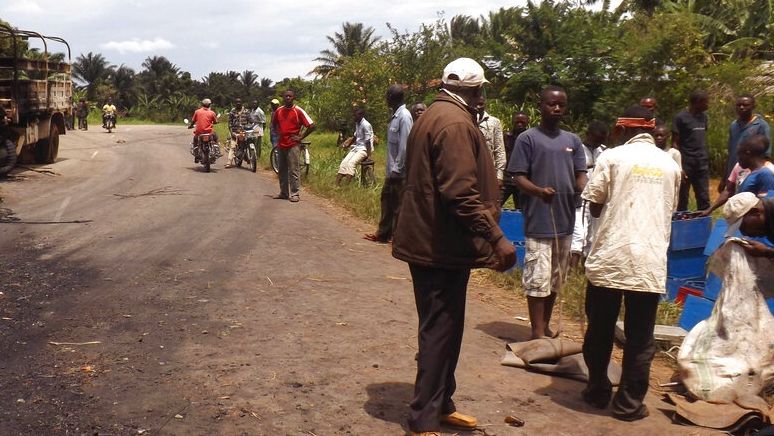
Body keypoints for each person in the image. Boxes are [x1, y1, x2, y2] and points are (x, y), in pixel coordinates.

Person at [392, 57, 516, 436]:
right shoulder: (455, 123)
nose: (482, 99)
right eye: (480, 92)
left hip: (437, 242)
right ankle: (424, 418)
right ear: (474, 90)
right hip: (438, 245)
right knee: (439, 330)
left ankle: (442, 403)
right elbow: (460, 193)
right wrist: (496, 238)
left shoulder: (436, 114)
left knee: (446, 328)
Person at [580, 105, 681, 422]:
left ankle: (597, 390)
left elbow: (595, 206)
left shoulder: (612, 157)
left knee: (600, 328)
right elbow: (669, 208)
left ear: (622, 130)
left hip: (612, 256)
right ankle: (628, 404)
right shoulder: (670, 164)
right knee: (640, 337)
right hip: (648, 262)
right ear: (651, 131)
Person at [509, 85, 587, 340]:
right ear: (540, 106)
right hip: (539, 219)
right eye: (551, 104)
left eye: (561, 105)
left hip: (565, 219)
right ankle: (536, 331)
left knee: (556, 278)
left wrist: (583, 188)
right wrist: (538, 191)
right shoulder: (527, 138)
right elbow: (518, 177)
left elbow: (581, 174)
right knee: (537, 277)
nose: (556, 108)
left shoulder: (573, 140)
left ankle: (545, 326)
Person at [363, 85, 413, 243]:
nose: (385, 99)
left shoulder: (404, 117)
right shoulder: (395, 116)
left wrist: (397, 169)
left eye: (387, 96)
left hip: (399, 172)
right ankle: (383, 233)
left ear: (392, 97)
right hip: (391, 170)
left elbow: (405, 146)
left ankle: (399, 239)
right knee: (387, 201)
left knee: (399, 206)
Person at [701, 135, 774, 216]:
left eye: (739, 155)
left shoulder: (765, 174)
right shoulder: (750, 173)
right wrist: (709, 210)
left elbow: (766, 209)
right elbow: (729, 190)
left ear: (748, 153)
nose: (738, 159)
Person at [570, 120, 608, 267]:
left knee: (593, 236)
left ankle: (586, 270)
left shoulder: (604, 151)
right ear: (588, 135)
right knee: (579, 235)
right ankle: (571, 271)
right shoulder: (577, 149)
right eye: (596, 139)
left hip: (597, 199)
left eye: (601, 140)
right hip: (579, 198)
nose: (598, 143)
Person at [720, 94, 771, 192]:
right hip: (734, 173)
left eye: (745, 105)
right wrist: (724, 178)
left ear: (753, 106)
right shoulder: (734, 125)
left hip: (750, 173)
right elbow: (731, 153)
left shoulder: (761, 126)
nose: (741, 107)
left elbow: (765, 155)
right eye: (738, 105)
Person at [271, 90, 315, 202]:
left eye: (290, 96)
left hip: (293, 145)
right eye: (286, 96)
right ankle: (284, 192)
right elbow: (274, 124)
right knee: (282, 170)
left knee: (293, 170)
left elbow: (312, 125)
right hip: (281, 144)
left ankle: (295, 193)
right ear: (283, 97)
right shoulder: (279, 111)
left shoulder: (298, 111)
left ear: (293, 97)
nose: (288, 98)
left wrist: (300, 137)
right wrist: (279, 134)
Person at [672, 90, 710, 211]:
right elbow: (674, 143)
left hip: (701, 162)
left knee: (703, 196)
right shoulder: (680, 118)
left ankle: (703, 219)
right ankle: (682, 219)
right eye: (705, 102)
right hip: (686, 162)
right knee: (682, 196)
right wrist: (678, 165)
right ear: (697, 102)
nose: (707, 105)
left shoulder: (704, 117)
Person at [724, 192, 774, 257]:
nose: (744, 234)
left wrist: (766, 252)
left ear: (755, 212)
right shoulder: (768, 222)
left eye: (744, 226)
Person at [336, 107, 373, 186]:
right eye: (354, 115)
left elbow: (368, 141)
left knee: (351, 163)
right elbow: (355, 137)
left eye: (355, 116)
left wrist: (369, 155)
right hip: (357, 147)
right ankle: (336, 184)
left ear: (361, 115)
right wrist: (348, 145)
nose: (354, 117)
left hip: (364, 149)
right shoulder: (358, 123)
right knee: (344, 163)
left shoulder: (366, 125)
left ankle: (346, 186)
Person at [475, 96, 506, 186]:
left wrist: (499, 176)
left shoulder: (494, 122)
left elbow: (499, 149)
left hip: (488, 170)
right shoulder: (467, 120)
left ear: (485, 104)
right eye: (476, 104)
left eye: (480, 104)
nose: (478, 107)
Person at [501, 111, 529, 207]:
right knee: (494, 205)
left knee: (521, 209)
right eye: (517, 122)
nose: (520, 124)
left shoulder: (530, 139)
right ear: (512, 122)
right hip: (506, 177)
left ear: (527, 122)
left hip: (522, 179)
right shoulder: (505, 137)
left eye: (522, 122)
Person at [188, 98, 219, 163]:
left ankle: (196, 154)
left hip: (199, 133)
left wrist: (190, 126)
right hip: (209, 132)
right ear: (210, 104)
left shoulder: (197, 111)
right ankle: (217, 150)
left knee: (195, 140)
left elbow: (193, 121)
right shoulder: (212, 112)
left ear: (202, 104)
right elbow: (215, 122)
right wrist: (215, 122)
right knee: (215, 137)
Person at [226, 98, 252, 168]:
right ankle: (229, 162)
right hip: (235, 131)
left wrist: (252, 125)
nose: (238, 103)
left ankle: (248, 158)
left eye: (239, 102)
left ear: (242, 103)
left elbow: (250, 120)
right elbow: (230, 122)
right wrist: (231, 131)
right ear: (235, 103)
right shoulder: (232, 111)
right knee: (233, 146)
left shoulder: (246, 111)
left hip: (244, 131)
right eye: (237, 102)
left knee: (247, 144)